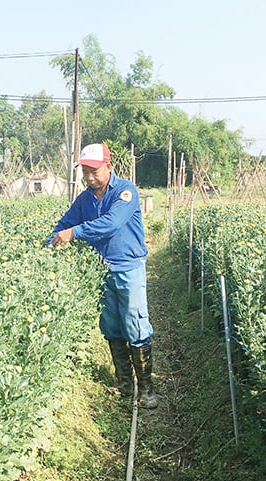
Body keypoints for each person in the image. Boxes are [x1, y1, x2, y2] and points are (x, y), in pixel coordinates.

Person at [48, 143, 157, 409]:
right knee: (111, 325)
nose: (89, 177)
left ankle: (146, 389)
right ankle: (123, 383)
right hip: (100, 269)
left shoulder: (125, 192)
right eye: (85, 171)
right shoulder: (85, 199)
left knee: (135, 322)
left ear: (109, 167)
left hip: (128, 266)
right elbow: (66, 222)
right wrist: (50, 239)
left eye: (94, 170)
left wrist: (73, 234)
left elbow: (111, 223)